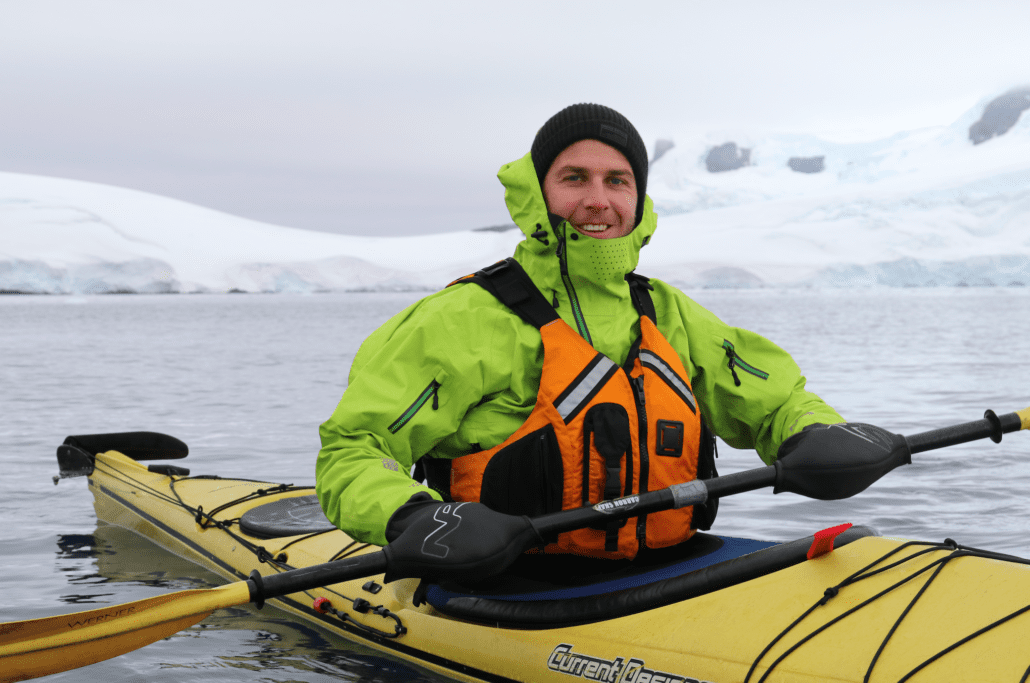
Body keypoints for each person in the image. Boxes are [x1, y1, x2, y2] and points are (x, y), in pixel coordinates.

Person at [316, 103, 898, 583]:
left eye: (617, 181)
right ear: (538, 193)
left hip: (672, 571)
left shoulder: (667, 313)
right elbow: (352, 452)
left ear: (637, 200)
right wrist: (414, 515)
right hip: (507, 584)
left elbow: (775, 402)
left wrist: (815, 432)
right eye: (575, 178)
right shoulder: (458, 320)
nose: (598, 200)